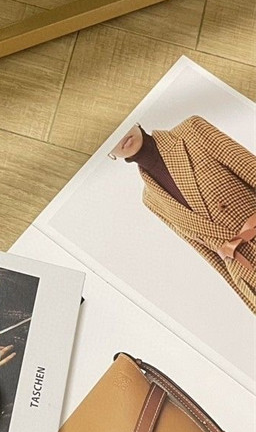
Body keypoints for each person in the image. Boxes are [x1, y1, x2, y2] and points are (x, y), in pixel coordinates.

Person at [110, 118, 256, 313]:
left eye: (119, 125)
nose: (120, 136)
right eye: (110, 138)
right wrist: (246, 297)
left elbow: (252, 170)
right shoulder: (151, 199)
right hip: (247, 275)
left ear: (133, 120)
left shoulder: (192, 130)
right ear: (110, 154)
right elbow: (209, 253)